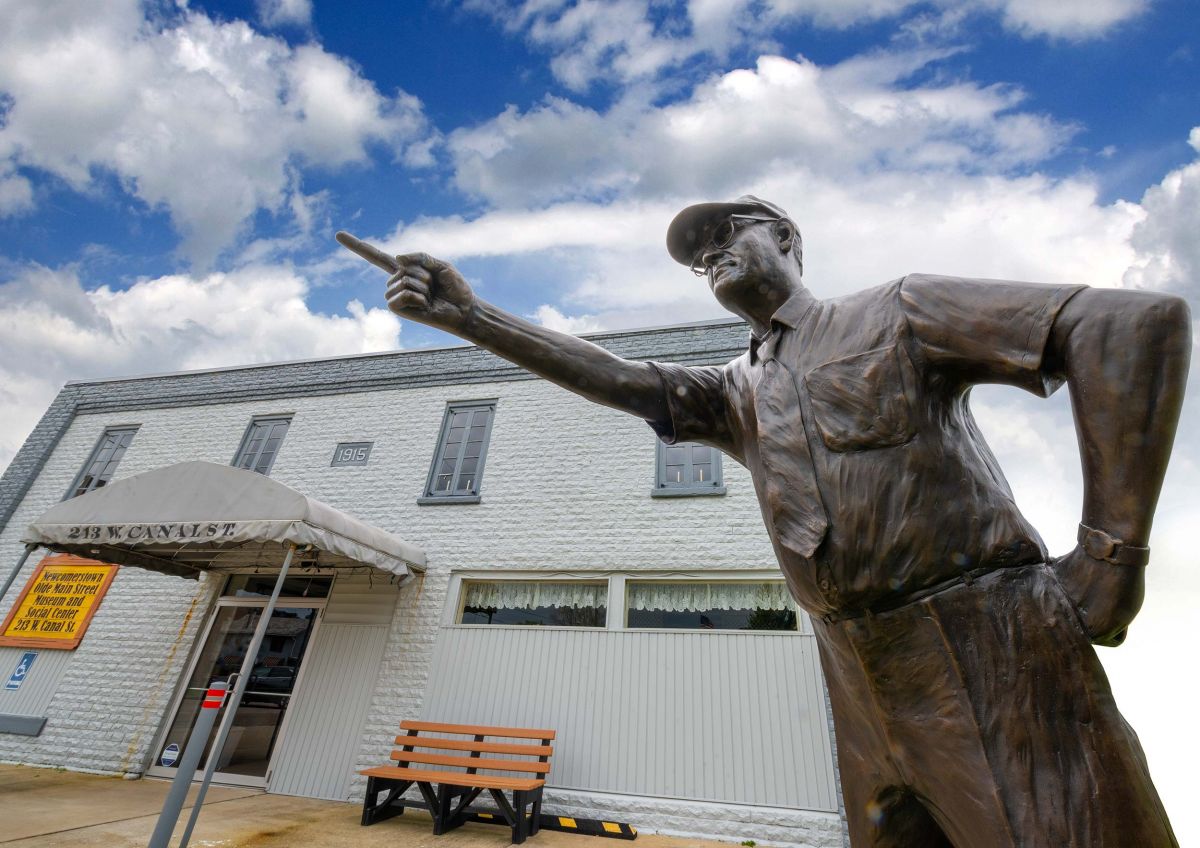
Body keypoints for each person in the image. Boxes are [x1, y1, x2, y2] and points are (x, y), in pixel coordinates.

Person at [355, 196, 1188, 846]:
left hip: (982, 634)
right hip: (853, 670)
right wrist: (471, 318)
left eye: (727, 229)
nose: (710, 250)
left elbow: (1125, 324)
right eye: (697, 253)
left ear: (786, 237)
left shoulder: (897, 312)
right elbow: (620, 379)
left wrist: (1112, 555)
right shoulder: (736, 390)